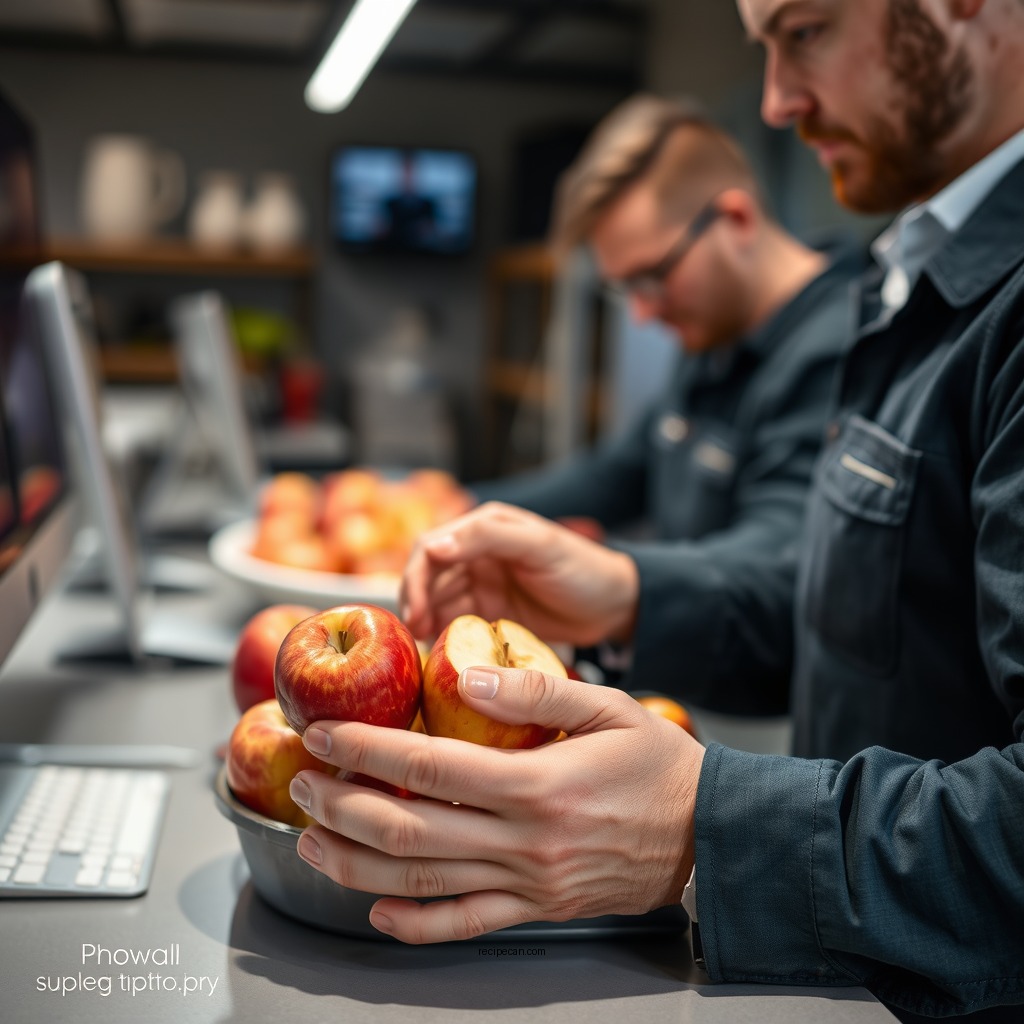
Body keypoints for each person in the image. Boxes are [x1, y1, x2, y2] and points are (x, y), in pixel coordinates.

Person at [286, 0, 1024, 1018]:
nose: (776, 102)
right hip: (850, 965)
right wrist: (611, 592)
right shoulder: (907, 286)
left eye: (805, 29)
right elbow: (845, 629)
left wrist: (697, 826)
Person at [474, 95, 863, 709]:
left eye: (652, 277)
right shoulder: (713, 337)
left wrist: (618, 583)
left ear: (735, 220)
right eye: (625, 288)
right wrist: (460, 511)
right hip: (686, 687)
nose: (642, 313)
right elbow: (617, 473)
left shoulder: (845, 346)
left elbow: (781, 557)